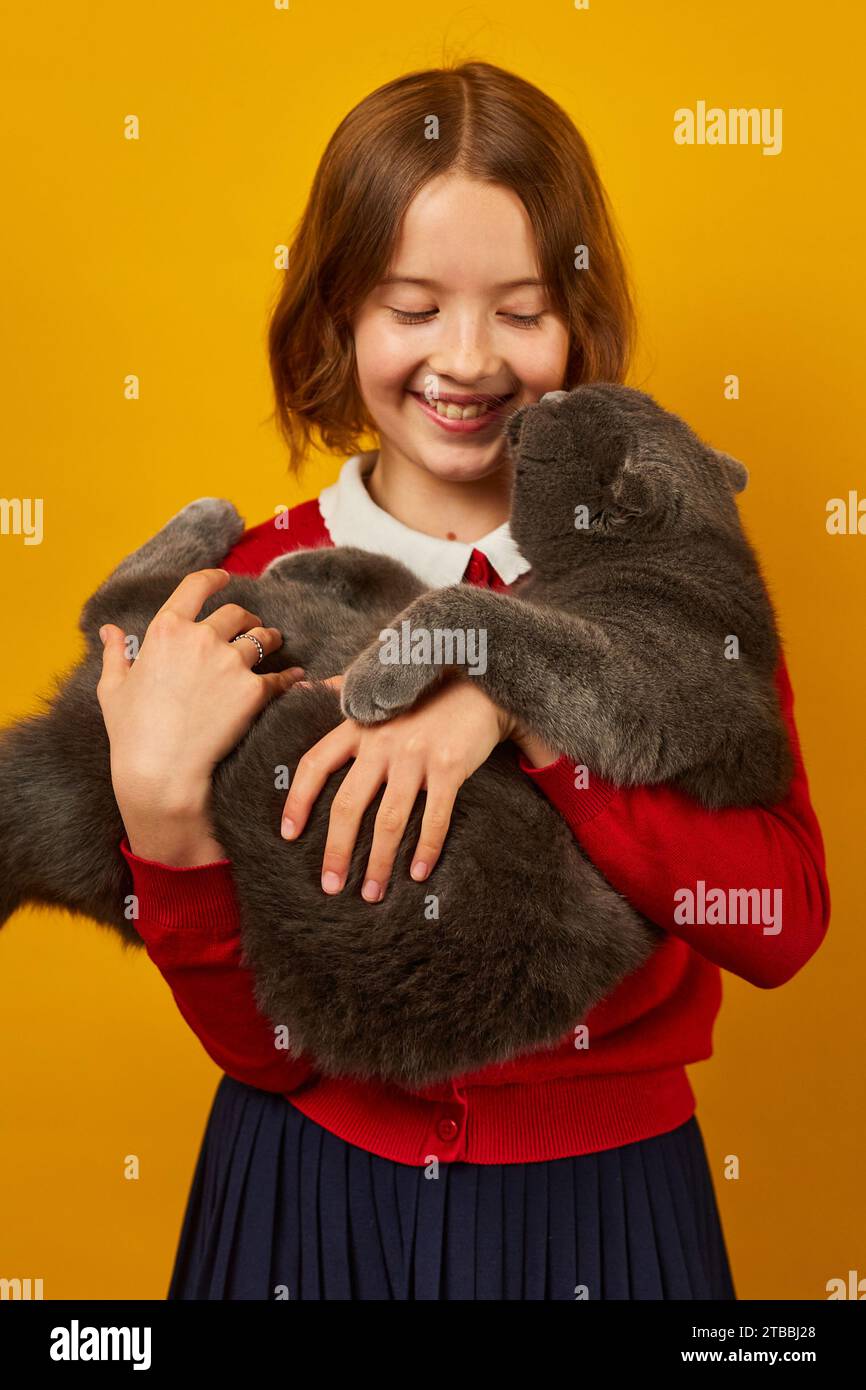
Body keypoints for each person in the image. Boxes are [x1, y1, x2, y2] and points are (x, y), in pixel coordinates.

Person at [95, 61, 829, 1301]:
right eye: (413, 306)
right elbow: (260, 1047)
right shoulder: (256, 585)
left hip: (603, 1206)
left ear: (578, 321)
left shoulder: (660, 567)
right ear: (337, 314)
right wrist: (161, 821)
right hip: (309, 1196)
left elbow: (778, 919)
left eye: (521, 310)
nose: (468, 357)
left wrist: (520, 694)